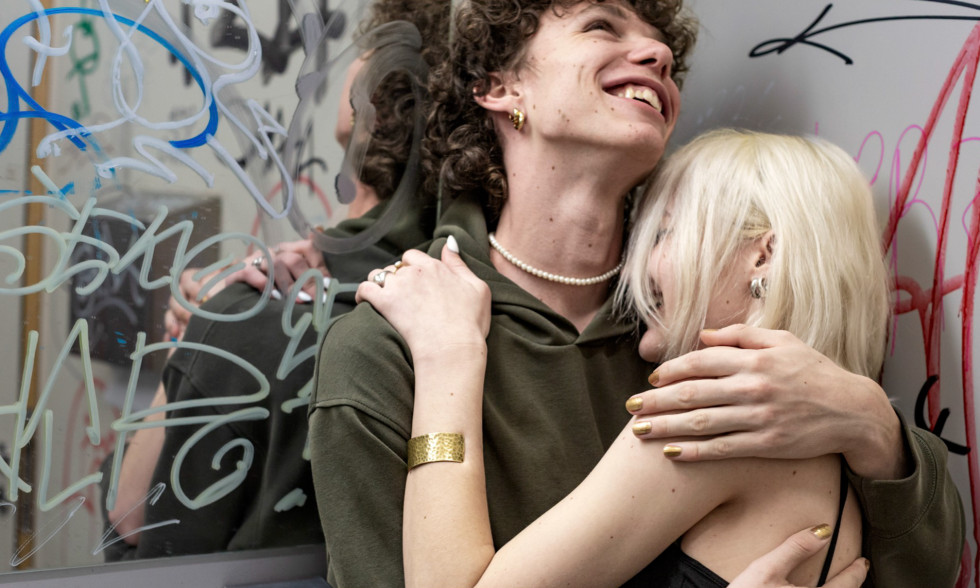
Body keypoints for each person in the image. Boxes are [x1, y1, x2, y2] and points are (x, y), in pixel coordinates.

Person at [309, 1, 963, 587]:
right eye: (601, 25)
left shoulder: (709, 345)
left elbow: (921, 569)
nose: (657, 55)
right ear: (500, 86)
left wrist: (872, 424)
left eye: (664, 49)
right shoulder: (389, 341)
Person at [361, 128, 904, 587]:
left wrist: (447, 356)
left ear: (762, 255)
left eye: (666, 231)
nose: (639, 266)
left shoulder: (713, 418)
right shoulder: (831, 445)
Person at [99, 0, 450, 559]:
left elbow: (132, 515)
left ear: (373, 110)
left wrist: (201, 335)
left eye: (369, 53)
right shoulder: (455, 305)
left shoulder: (250, 312)